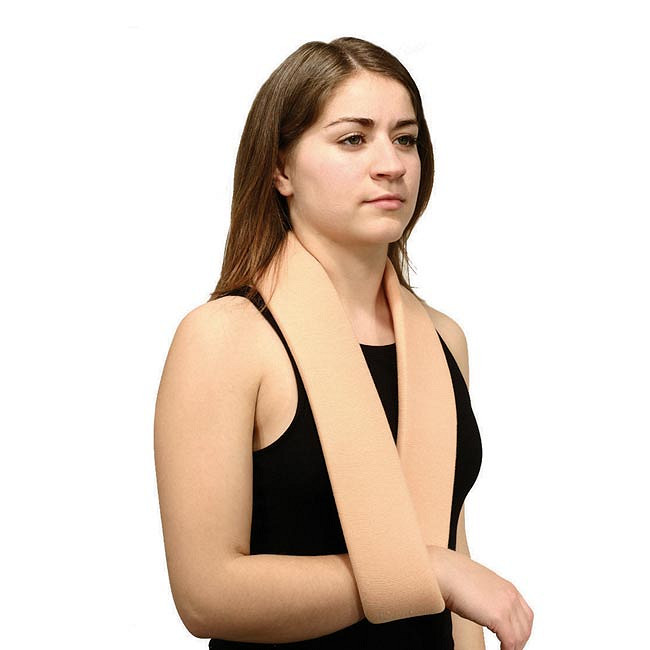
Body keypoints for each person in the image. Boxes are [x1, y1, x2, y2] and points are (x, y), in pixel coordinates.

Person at [154, 36, 533, 649]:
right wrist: (423, 573)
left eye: (405, 139)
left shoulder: (443, 340)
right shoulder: (226, 338)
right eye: (353, 139)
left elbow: (453, 557)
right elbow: (206, 594)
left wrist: (443, 577)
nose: (391, 164)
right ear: (280, 169)